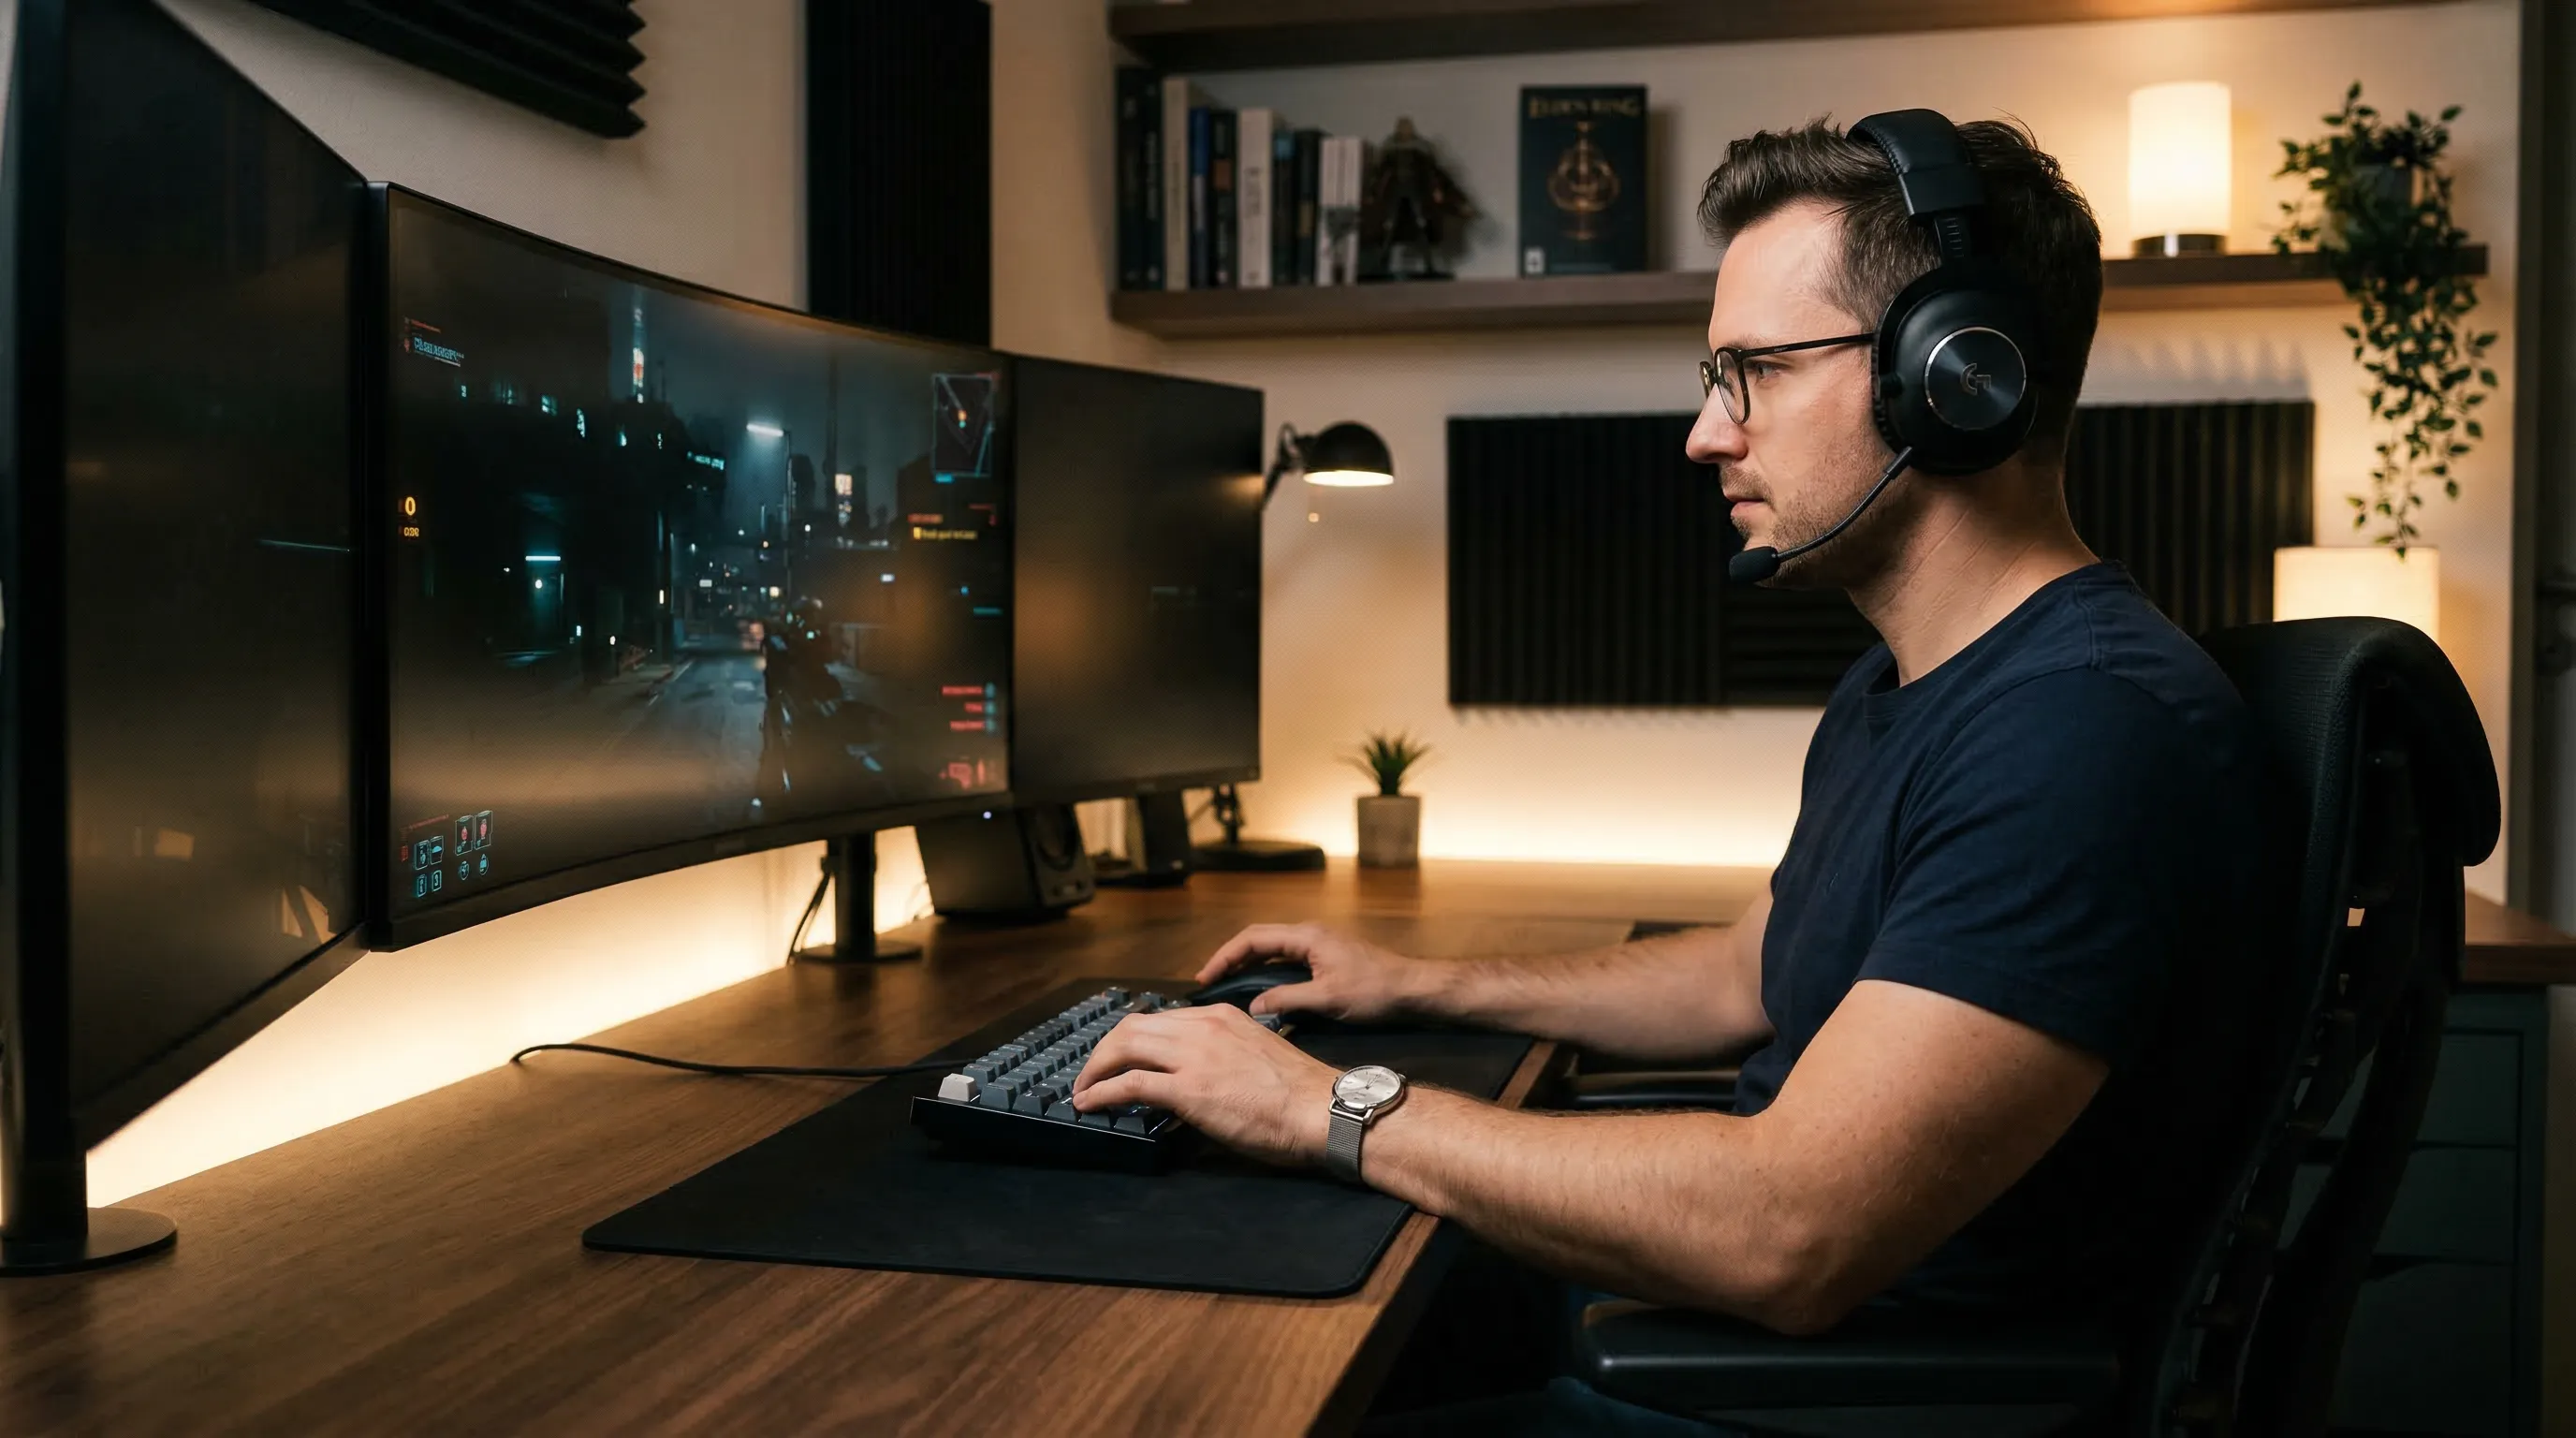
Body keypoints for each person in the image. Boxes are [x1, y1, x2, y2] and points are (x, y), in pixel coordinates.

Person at [1070, 113, 2276, 1430]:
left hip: (1817, 1396)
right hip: (1742, 1347)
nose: (1707, 432)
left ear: (1954, 378)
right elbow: (1743, 972)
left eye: (1752, 370)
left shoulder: (2079, 733)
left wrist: (1325, 1107)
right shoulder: (1918, 682)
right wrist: (1421, 986)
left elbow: (1788, 1234)